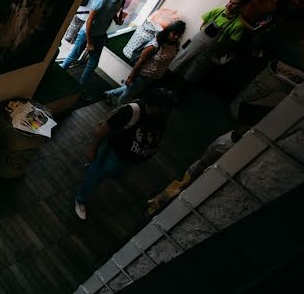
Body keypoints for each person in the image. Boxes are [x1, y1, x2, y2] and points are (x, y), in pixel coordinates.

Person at [74, 88, 177, 221]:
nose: (165, 112)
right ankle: (81, 200)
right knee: (96, 176)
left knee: (114, 173)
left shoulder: (161, 116)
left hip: (128, 159)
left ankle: (93, 169)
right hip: (113, 152)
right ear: (155, 105)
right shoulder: (132, 111)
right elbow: (104, 129)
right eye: (162, 108)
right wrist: (93, 149)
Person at [146, 127, 246, 216]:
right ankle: (153, 209)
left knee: (174, 190)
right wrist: (191, 182)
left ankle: (153, 206)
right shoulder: (226, 145)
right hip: (196, 173)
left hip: (195, 170)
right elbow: (205, 163)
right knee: (174, 194)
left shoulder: (230, 134)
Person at [61, 0, 137, 94]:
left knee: (93, 63)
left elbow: (112, 12)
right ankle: (57, 74)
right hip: (87, 33)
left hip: (101, 35)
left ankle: (80, 88)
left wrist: (117, 19)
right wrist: (89, 42)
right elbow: (89, 21)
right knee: (73, 57)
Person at [171, 0, 252, 84]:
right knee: (179, 62)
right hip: (195, 44)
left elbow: (229, 45)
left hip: (208, 53)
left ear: (241, 7)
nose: (229, 5)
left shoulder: (237, 25)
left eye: (234, 4)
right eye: (230, 1)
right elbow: (203, 25)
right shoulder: (218, 11)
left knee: (190, 74)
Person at [105, 21, 186, 105]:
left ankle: (109, 93)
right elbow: (140, 62)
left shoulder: (176, 44)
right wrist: (130, 77)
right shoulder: (155, 45)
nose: (176, 37)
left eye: (179, 35)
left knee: (132, 89)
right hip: (143, 75)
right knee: (127, 94)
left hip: (154, 76)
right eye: (174, 34)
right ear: (168, 31)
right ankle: (119, 113)